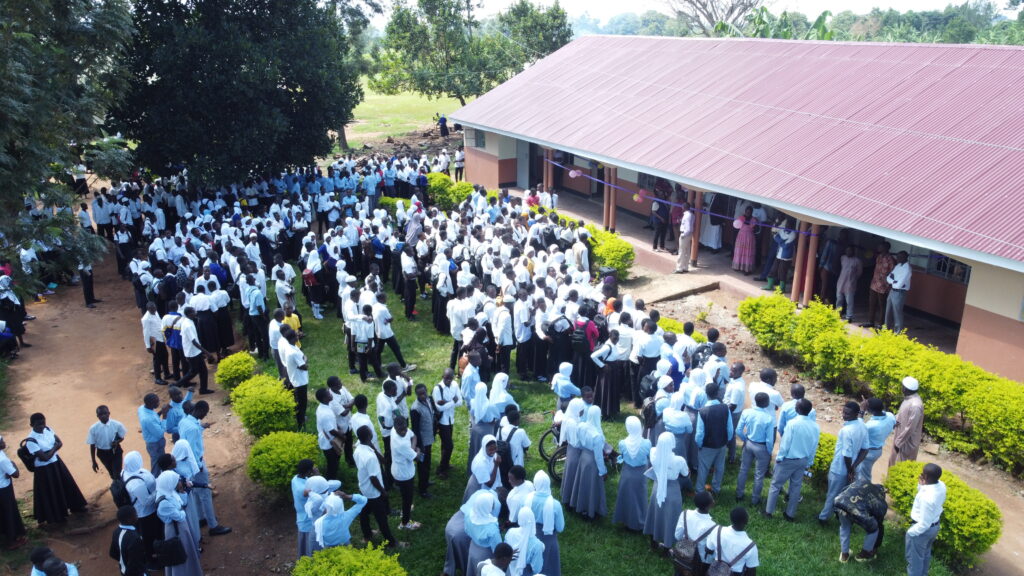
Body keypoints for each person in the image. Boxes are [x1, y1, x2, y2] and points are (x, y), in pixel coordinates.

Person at [177, 401, 231, 537]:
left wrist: (202, 427)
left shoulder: (184, 422)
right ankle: (213, 525)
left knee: (195, 492)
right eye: (205, 413)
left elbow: (191, 434)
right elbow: (194, 451)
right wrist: (199, 467)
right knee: (206, 494)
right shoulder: (194, 428)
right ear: (201, 411)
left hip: (187, 465)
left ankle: (201, 518)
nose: (205, 416)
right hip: (196, 464)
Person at [25, 413, 87, 524]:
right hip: (44, 470)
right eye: (38, 424)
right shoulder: (31, 441)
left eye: (43, 423)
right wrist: (54, 447)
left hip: (56, 463)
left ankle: (76, 507)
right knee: (52, 492)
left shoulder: (48, 429)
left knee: (67, 485)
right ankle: (57, 516)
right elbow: (44, 458)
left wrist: (51, 451)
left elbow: (60, 443)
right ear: (31, 425)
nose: (41, 426)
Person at [764, 398, 819, 520]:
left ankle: (768, 512)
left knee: (775, 485)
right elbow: (814, 446)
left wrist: (779, 457)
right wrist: (809, 461)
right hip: (803, 460)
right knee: (795, 487)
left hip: (788, 459)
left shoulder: (792, 424)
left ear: (797, 409)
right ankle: (790, 514)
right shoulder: (815, 426)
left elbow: (785, 443)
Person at [818, 401, 868, 524]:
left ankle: (823, 518)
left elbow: (847, 454)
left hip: (840, 468)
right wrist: (854, 467)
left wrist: (850, 470)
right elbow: (865, 449)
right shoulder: (862, 425)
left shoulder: (846, 431)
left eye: (848, 413)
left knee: (833, 494)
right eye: (844, 412)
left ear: (856, 414)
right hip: (854, 467)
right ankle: (839, 514)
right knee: (845, 494)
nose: (844, 415)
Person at [354, 425, 400, 548]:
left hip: (363, 488)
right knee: (381, 518)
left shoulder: (358, 449)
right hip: (373, 492)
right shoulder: (370, 457)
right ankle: (391, 542)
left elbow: (383, 461)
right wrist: (383, 491)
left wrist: (372, 447)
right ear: (369, 436)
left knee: (364, 513)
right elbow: (373, 478)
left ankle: (367, 534)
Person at [644, 432, 689, 549]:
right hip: (673, 490)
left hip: (657, 487)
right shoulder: (679, 460)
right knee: (671, 517)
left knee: (656, 513)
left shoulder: (653, 452)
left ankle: (653, 541)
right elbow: (685, 473)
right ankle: (667, 546)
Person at [155, 470, 202, 576]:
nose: (179, 483)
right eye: (177, 481)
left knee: (186, 552)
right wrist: (182, 511)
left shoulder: (169, 491)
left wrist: (181, 491)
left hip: (180, 527)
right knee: (180, 555)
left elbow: (183, 503)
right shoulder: (164, 503)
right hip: (176, 530)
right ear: (169, 483)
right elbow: (180, 516)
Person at [734, 393, 775, 507]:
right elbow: (769, 439)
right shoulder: (769, 418)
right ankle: (755, 500)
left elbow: (738, 430)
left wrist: (745, 439)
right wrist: (769, 451)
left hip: (749, 443)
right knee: (759, 475)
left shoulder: (746, 412)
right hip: (762, 447)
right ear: (766, 403)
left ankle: (739, 495)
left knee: (743, 470)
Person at [120, 451, 160, 569]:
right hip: (145, 513)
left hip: (139, 511)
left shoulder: (125, 472)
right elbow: (146, 501)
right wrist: (158, 490)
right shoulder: (136, 484)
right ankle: (151, 560)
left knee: (146, 535)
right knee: (149, 536)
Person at [906, 463, 946, 576]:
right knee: (924, 555)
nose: (921, 475)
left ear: (926, 477)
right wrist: (921, 485)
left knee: (914, 561)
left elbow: (924, 524)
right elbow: (924, 490)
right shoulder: (941, 485)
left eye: (923, 474)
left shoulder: (926, 498)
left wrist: (911, 532)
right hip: (934, 527)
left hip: (922, 530)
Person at [569, 405, 607, 519]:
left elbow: (579, 443)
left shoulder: (581, 426)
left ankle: (580, 505)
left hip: (583, 457)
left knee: (582, 483)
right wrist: (603, 471)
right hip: (592, 461)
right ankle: (591, 509)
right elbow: (599, 457)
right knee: (591, 486)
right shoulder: (597, 436)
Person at [613, 416, 651, 532]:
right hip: (640, 474)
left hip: (627, 473)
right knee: (640, 498)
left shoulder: (623, 443)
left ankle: (626, 520)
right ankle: (640, 521)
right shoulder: (646, 443)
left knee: (626, 497)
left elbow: (623, 457)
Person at [695, 383, 733, 496]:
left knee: (703, 468)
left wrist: (699, 444)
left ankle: (699, 491)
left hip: (707, 445)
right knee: (720, 467)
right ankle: (716, 488)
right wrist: (727, 440)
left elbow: (699, 433)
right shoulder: (725, 408)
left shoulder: (702, 411)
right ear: (717, 393)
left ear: (706, 394)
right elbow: (730, 428)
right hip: (722, 443)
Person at [835, 480, 887, 563]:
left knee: (845, 527)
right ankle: (864, 555)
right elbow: (879, 517)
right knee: (874, 529)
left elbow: (845, 489)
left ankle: (844, 554)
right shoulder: (880, 499)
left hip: (841, 502)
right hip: (856, 511)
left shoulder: (863, 481)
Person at [524, 471, 564, 576]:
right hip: (548, 538)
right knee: (548, 565)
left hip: (529, 535)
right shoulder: (555, 505)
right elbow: (560, 527)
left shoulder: (527, 498)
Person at [673, 491, 718, 576]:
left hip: (682, 555)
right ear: (711, 505)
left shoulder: (685, 513)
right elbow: (710, 552)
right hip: (700, 562)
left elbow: (677, 536)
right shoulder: (713, 527)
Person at [705, 507, 759, 575]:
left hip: (716, 570)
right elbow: (751, 571)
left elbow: (708, 550)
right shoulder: (750, 546)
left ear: (731, 519)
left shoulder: (718, 530)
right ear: (746, 521)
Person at [390, 415, 421, 530]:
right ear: (395, 427)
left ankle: (405, 509)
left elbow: (414, 436)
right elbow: (416, 457)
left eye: (405, 428)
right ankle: (404, 523)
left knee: (406, 496)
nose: (403, 432)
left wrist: (412, 449)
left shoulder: (396, 429)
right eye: (400, 430)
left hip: (401, 469)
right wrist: (416, 450)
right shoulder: (401, 444)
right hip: (404, 474)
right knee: (407, 498)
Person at [463, 490, 503, 576]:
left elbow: (466, 530)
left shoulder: (469, 514)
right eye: (492, 504)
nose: (493, 506)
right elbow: (498, 548)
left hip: (472, 547)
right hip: (485, 554)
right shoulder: (491, 529)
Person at [857, 398, 895, 482]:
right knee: (864, 472)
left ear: (870, 410)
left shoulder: (871, 425)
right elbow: (895, 423)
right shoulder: (890, 416)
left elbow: (858, 428)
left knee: (863, 477)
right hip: (878, 451)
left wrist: (862, 410)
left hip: (868, 453)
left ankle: (864, 492)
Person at [433, 368, 461, 480]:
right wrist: (452, 401)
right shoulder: (437, 388)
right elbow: (439, 407)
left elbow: (460, 402)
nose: (449, 380)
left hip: (450, 419)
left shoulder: (455, 385)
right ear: (442, 377)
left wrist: (446, 402)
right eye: (446, 378)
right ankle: (441, 469)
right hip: (442, 421)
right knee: (449, 445)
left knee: (445, 445)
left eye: (451, 378)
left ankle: (445, 463)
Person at [889, 377, 925, 467]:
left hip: (906, 442)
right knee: (893, 463)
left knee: (900, 466)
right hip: (900, 437)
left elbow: (910, 428)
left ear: (905, 388)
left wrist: (898, 443)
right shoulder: (909, 399)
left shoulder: (915, 405)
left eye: (902, 386)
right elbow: (902, 415)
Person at [409, 383, 436, 498]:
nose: (423, 396)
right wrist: (419, 446)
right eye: (420, 394)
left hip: (429, 438)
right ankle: (422, 490)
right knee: (422, 466)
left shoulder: (429, 399)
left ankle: (426, 481)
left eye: (424, 393)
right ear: (416, 395)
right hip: (422, 442)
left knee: (428, 462)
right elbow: (415, 429)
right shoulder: (415, 409)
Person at [0, 435, 27, 549]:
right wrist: (14, 465)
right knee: (8, 513)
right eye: (1, 441)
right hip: (3, 489)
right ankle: (11, 541)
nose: (4, 443)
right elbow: (15, 474)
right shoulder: (2, 459)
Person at [86, 405, 127, 479]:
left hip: (115, 452)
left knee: (117, 474)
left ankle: (121, 488)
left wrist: (117, 442)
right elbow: (92, 445)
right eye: (100, 414)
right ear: (97, 416)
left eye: (105, 413)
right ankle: (118, 487)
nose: (103, 416)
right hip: (102, 454)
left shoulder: (117, 425)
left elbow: (122, 437)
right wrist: (93, 461)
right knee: (111, 473)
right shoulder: (93, 429)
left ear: (109, 413)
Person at [280, 328, 309, 431]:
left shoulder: (291, 346)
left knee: (299, 402)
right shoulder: (293, 352)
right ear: (293, 338)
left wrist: (303, 358)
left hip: (296, 378)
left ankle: (300, 420)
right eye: (296, 335)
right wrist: (305, 359)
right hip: (299, 381)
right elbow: (304, 366)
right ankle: (300, 424)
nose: (298, 336)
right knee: (302, 404)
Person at [862, 241, 896, 329]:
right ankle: (871, 321)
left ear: (886, 248)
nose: (878, 247)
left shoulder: (890, 259)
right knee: (872, 303)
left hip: (883, 285)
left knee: (882, 305)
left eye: (880, 246)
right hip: (874, 283)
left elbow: (893, 272)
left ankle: (881, 323)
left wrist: (889, 284)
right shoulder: (879, 257)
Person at [505, 507, 544, 576]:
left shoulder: (510, 532)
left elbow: (505, 550)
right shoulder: (537, 545)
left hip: (510, 570)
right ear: (532, 519)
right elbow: (537, 569)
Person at [315, 388, 344, 481]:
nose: (330, 394)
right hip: (329, 443)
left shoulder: (324, 406)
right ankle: (330, 482)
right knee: (332, 465)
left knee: (334, 462)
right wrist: (343, 437)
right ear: (324, 398)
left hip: (327, 440)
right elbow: (331, 431)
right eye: (328, 394)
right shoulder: (325, 413)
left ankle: (333, 478)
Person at [109, 505, 147, 576]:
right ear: (129, 519)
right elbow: (135, 563)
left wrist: (123, 561)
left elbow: (112, 553)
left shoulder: (116, 531)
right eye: (135, 514)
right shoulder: (134, 538)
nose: (137, 516)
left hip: (123, 570)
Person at [291, 459, 317, 557]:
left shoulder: (295, 479)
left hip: (301, 516)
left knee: (304, 545)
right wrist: (317, 475)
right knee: (308, 547)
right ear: (308, 471)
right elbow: (322, 487)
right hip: (307, 521)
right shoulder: (303, 490)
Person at [138, 393, 168, 470]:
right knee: (157, 464)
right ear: (151, 404)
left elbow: (154, 417)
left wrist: (161, 411)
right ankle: (156, 478)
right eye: (157, 402)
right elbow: (160, 433)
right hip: (155, 444)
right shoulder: (148, 419)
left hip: (151, 441)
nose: (159, 403)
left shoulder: (142, 408)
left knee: (161, 461)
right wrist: (164, 415)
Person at [142, 302, 170, 385]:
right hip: (155, 341)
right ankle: (157, 378)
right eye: (152, 309)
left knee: (165, 355)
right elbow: (146, 333)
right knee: (157, 360)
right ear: (148, 309)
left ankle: (167, 373)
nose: (154, 310)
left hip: (161, 338)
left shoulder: (156, 312)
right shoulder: (146, 319)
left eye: (154, 308)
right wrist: (148, 346)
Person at [885, 250, 912, 333]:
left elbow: (900, 284)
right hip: (892, 291)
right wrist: (894, 281)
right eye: (897, 256)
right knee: (888, 311)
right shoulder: (898, 266)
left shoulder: (907, 268)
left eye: (899, 257)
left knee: (897, 313)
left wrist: (893, 281)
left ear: (905, 257)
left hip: (900, 292)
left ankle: (898, 332)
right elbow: (888, 277)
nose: (897, 258)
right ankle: (886, 330)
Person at [835, 245, 863, 322]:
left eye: (850, 250)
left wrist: (853, 279)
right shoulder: (843, 258)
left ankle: (849, 316)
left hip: (850, 284)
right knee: (839, 299)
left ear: (853, 251)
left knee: (849, 301)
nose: (848, 252)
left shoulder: (857, 261)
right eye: (847, 250)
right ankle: (838, 313)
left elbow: (859, 273)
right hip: (841, 282)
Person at [732, 206, 758, 274]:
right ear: (745, 211)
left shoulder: (754, 220)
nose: (748, 213)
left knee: (747, 253)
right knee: (739, 251)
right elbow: (736, 226)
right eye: (747, 211)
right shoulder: (741, 218)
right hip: (741, 237)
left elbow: (755, 229)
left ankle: (747, 269)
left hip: (749, 239)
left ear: (752, 212)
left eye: (749, 212)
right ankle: (738, 266)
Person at [674, 202, 693, 274]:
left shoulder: (687, 216)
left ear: (683, 208)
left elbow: (687, 228)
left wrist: (683, 235)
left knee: (681, 251)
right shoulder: (691, 215)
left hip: (685, 234)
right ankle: (685, 267)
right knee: (687, 251)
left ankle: (679, 268)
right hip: (689, 235)